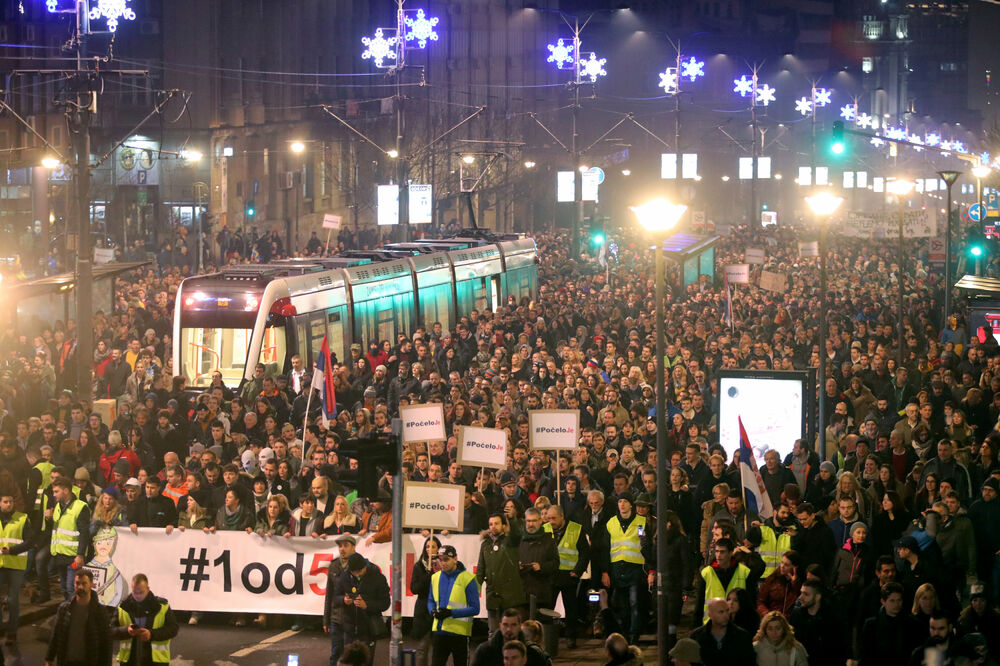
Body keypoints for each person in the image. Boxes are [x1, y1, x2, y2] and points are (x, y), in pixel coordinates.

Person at [600, 493, 652, 645]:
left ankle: (634, 633)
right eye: (620, 501)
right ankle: (625, 633)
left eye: (625, 501)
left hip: (635, 568)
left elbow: (645, 543)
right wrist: (605, 571)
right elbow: (605, 548)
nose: (622, 504)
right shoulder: (611, 523)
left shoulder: (640, 522)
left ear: (631, 505)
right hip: (617, 568)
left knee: (635, 601)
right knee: (622, 604)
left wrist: (650, 568)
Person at [44, 568, 112, 666]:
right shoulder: (64, 609)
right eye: (77, 583)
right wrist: (49, 658)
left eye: (84, 583)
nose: (80, 587)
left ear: (92, 585)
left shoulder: (100, 611)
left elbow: (106, 644)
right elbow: (56, 635)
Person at [543, 504, 589, 646]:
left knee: (571, 609)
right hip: (550, 574)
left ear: (562, 516)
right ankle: (547, 637)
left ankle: (571, 637)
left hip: (569, 575)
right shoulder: (544, 529)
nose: (550, 521)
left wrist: (577, 570)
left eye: (554, 518)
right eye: (548, 518)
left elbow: (585, 552)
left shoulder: (576, 529)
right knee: (547, 608)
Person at [110, 573, 179, 665]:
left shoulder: (162, 607)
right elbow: (111, 631)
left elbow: (173, 629)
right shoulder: (122, 607)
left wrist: (151, 634)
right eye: (135, 592)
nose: (137, 596)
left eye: (141, 592)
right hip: (129, 661)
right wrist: (126, 630)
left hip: (155, 662)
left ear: (148, 589)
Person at [335, 552, 390, 666]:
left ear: (365, 566)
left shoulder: (378, 578)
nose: (357, 575)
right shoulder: (344, 577)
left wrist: (367, 605)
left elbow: (385, 603)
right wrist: (344, 600)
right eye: (354, 573)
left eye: (359, 572)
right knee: (348, 662)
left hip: (368, 629)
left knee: (365, 662)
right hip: (349, 628)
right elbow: (335, 597)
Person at [429, 544, 480, 666]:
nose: (443, 563)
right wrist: (432, 611)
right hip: (440, 632)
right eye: (440, 560)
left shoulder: (468, 578)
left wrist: (451, 613)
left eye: (446, 559)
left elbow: (475, 609)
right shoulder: (435, 577)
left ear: (455, 559)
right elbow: (431, 600)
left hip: (459, 634)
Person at [477, 513, 526, 632]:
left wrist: (512, 519)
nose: (493, 526)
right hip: (492, 594)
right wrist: (475, 589)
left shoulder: (510, 542)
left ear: (504, 526)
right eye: (491, 524)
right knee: (493, 632)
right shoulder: (485, 544)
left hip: (510, 596)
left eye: (496, 523)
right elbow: (480, 569)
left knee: (511, 632)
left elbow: (516, 534)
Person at [49, 477, 91, 600]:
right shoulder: (57, 506)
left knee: (72, 589)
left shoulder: (80, 507)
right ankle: (69, 614)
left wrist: (80, 555)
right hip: (60, 554)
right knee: (64, 588)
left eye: (56, 491)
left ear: (66, 491)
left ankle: (77, 616)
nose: (54, 495)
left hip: (73, 557)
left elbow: (84, 533)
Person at [0, 491, 33, 644]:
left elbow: (29, 542)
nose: (8, 504)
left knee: (13, 601)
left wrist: (12, 551)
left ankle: (12, 633)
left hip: (15, 566)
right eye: (5, 501)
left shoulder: (22, 519)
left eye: (10, 502)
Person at [859, 581, 920, 665]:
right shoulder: (871, 625)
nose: (896, 604)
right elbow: (866, 656)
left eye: (899, 600)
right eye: (892, 601)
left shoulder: (912, 624)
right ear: (883, 602)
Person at [788, 579, 845, 666]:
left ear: (818, 597)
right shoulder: (797, 615)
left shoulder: (831, 619)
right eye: (801, 593)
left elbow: (838, 648)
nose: (800, 597)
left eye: (806, 594)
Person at [696, 537, 752, 625]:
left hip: (738, 626)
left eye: (722, 552)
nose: (718, 555)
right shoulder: (706, 573)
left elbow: (750, 604)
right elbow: (699, 605)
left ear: (730, 553)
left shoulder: (744, 572)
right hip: (711, 626)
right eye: (717, 551)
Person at [689, 597, 755, 666]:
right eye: (721, 612)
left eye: (727, 611)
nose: (726, 615)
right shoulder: (696, 637)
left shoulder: (743, 637)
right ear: (710, 615)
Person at [325, 534, 359, 664]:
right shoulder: (334, 565)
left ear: (353, 547)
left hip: (352, 619)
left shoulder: (359, 565)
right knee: (335, 653)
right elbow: (329, 594)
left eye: (345, 545)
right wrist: (326, 619)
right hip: (336, 618)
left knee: (350, 654)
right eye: (340, 546)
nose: (342, 549)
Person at [471, 608, 546, 666]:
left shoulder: (533, 653)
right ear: (500, 626)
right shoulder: (485, 651)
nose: (509, 629)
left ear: (520, 626)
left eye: (513, 625)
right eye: (505, 625)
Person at [517, 507, 558, 610]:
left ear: (540, 521)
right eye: (528, 521)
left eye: (534, 520)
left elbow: (555, 563)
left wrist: (541, 567)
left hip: (542, 594)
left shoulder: (549, 541)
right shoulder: (518, 540)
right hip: (521, 593)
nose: (531, 524)